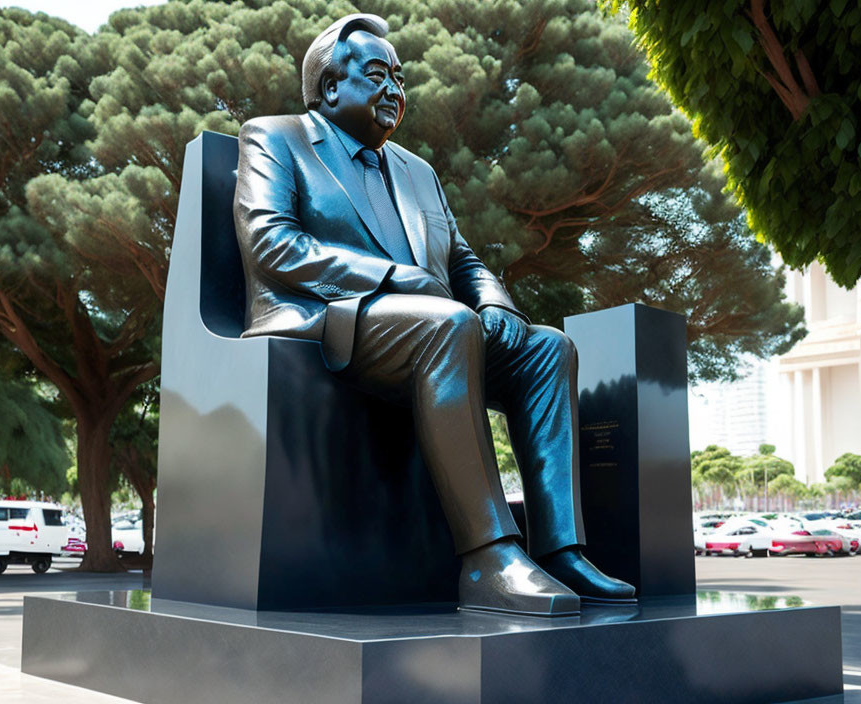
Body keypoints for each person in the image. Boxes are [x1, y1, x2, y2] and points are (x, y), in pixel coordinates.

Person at [233, 13, 634, 616]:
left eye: (399, 75)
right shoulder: (276, 137)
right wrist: (395, 278)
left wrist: (495, 299)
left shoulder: (416, 170)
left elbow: (464, 258)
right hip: (330, 317)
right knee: (449, 325)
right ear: (331, 86)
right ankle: (487, 559)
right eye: (377, 75)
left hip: (427, 324)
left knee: (547, 347)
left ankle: (560, 552)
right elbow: (271, 243)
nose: (396, 88)